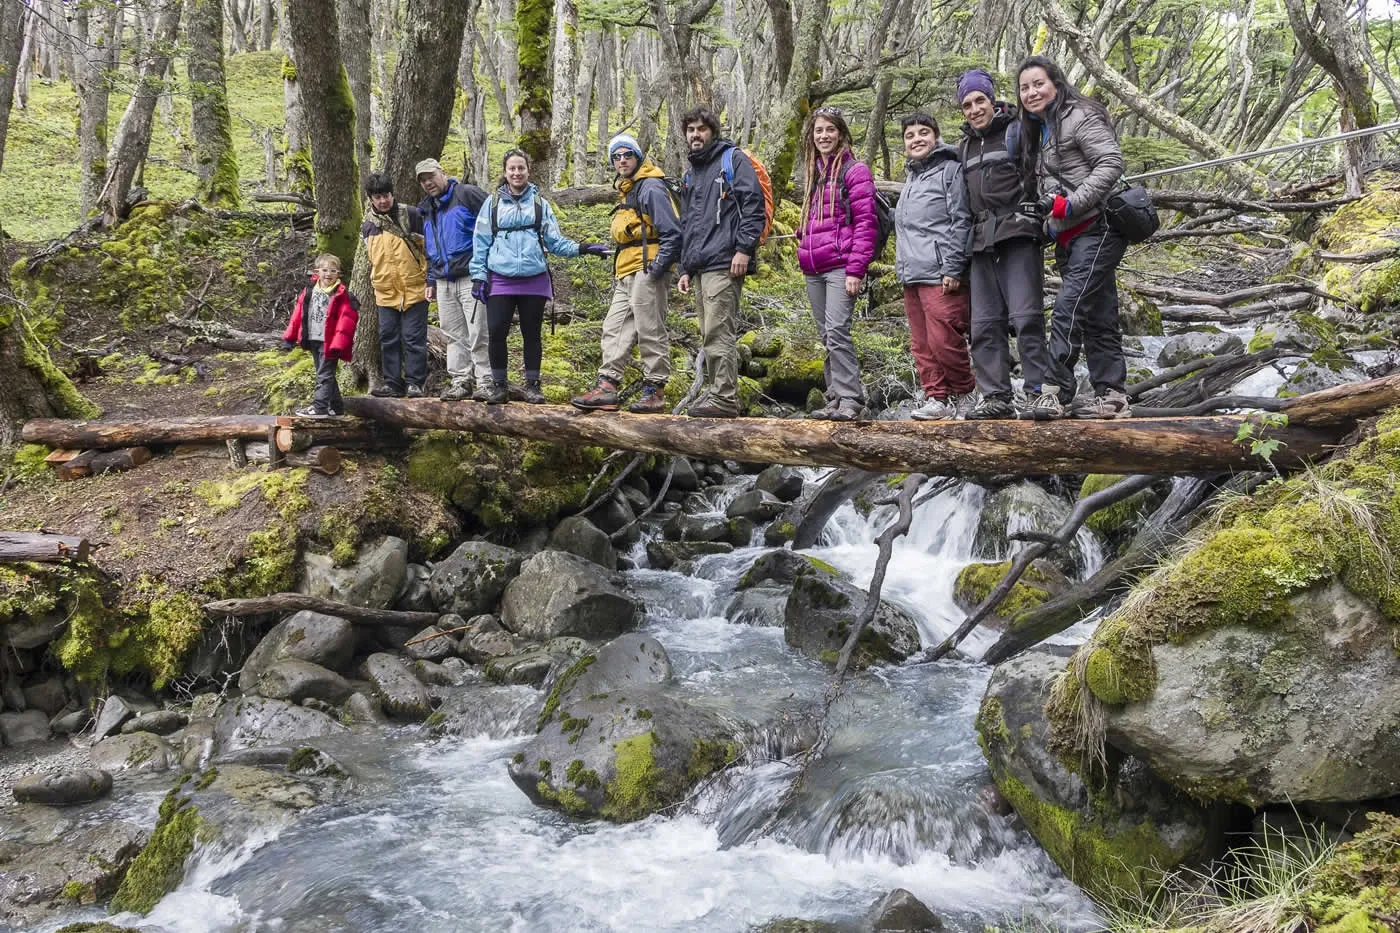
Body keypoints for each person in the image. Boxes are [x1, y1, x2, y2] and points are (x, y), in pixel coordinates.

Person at [1017, 55, 1130, 419]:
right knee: (1099, 313)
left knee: (1068, 308)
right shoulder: (1039, 129)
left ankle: (1055, 392)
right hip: (1070, 237)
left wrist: (1070, 205)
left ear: (1056, 83)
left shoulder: (1079, 115)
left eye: (1038, 84)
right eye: (1024, 88)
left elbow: (1111, 163)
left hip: (1098, 227)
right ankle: (1112, 394)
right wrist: (1049, 219)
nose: (1031, 93)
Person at [955, 69, 1057, 421]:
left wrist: (1043, 208)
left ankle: (1039, 392)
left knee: (1027, 317)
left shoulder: (1017, 130)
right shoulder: (964, 146)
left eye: (979, 100)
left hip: (1019, 234)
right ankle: (996, 396)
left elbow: (1045, 172)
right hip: (981, 241)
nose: (974, 109)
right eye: (967, 104)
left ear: (992, 99)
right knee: (983, 324)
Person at [470, 149, 609, 405]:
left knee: (531, 332)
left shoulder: (540, 204)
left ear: (528, 171)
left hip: (534, 278)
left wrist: (582, 248)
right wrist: (479, 276)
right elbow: (480, 242)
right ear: (505, 172)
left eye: (521, 168)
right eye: (511, 168)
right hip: (500, 277)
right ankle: (499, 386)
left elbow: (555, 242)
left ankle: (533, 386)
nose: (516, 173)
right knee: (497, 330)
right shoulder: (492, 204)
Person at [571, 133, 681, 414]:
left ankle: (655, 389)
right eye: (616, 156)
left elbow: (672, 232)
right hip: (627, 269)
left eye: (627, 155)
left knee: (649, 329)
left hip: (648, 268)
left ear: (638, 157)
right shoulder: (629, 189)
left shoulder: (651, 187)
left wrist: (657, 268)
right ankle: (607, 387)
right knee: (614, 327)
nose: (622, 160)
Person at [676, 107, 767, 419]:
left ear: (712, 131)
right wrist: (685, 267)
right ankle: (717, 393)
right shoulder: (692, 172)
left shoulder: (732, 160)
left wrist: (744, 249)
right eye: (690, 130)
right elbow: (689, 222)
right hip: (701, 264)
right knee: (706, 331)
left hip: (725, 261)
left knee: (718, 330)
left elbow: (753, 205)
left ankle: (725, 398)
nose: (696, 135)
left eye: (701, 129)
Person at [893, 112, 977, 421]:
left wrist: (954, 267)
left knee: (945, 339)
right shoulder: (912, 179)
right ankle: (936, 397)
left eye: (923, 133)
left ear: (936, 137)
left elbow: (961, 220)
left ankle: (966, 393)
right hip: (910, 273)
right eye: (910, 135)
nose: (916, 139)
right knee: (922, 344)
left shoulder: (950, 170)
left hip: (941, 272)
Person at [796, 107, 876, 422]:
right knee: (827, 335)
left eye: (830, 130)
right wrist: (804, 237)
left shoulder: (855, 171)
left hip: (841, 265)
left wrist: (857, 269)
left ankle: (851, 400)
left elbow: (866, 224)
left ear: (841, 133)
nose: (824, 136)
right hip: (813, 265)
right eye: (818, 131)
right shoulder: (814, 172)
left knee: (838, 330)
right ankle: (836, 396)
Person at [417, 158, 490, 402]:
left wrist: (490, 268)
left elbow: (493, 224)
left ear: (442, 172)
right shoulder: (426, 208)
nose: (428, 182)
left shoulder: (467, 195)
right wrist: (430, 280)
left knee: (479, 330)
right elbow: (429, 247)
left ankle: (486, 381)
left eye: (431, 176)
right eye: (423, 180)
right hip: (443, 281)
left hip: (472, 275)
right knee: (453, 334)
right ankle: (460, 381)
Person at [362, 172, 429, 399]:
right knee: (388, 338)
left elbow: (428, 248)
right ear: (370, 199)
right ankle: (392, 383)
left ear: (393, 194)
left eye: (386, 196)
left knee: (413, 338)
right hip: (385, 291)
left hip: (415, 288)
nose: (382, 201)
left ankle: (415, 383)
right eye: (377, 197)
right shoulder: (368, 226)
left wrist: (430, 279)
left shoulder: (411, 214)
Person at [282, 254, 359, 418]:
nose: (328, 274)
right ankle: (337, 408)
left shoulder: (341, 295)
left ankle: (320, 407)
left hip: (330, 342)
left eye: (333, 271)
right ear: (317, 271)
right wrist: (289, 337)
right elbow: (298, 315)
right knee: (325, 373)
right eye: (325, 270)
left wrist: (339, 345)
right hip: (313, 339)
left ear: (338, 274)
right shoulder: (309, 290)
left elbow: (346, 323)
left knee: (324, 375)